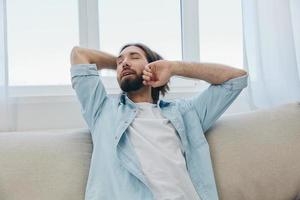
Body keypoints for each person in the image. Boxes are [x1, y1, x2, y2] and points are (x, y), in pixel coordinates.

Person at [69, 43, 248, 200]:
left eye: (135, 56)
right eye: (120, 61)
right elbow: (79, 55)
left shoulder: (185, 113)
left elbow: (236, 79)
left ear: (153, 66)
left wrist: (174, 67)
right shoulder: (102, 110)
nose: (124, 62)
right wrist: (122, 64)